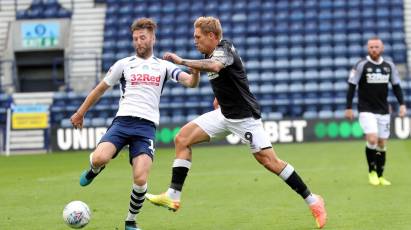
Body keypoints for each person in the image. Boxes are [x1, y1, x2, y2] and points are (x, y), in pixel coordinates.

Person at [145, 16, 327, 229]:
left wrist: (182, 61)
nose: (195, 41)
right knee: (182, 138)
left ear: (212, 36)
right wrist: (219, 97)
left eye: (198, 37)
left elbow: (216, 66)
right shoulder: (207, 53)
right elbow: (224, 76)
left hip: (244, 117)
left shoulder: (225, 48)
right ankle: (173, 195)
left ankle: (313, 201)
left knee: (270, 162)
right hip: (224, 114)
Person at [70, 18, 200, 230]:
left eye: (143, 37)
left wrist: (194, 70)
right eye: (135, 38)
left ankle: (130, 221)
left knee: (140, 179)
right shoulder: (124, 64)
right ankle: (94, 169)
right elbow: (100, 89)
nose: (138, 42)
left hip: (146, 128)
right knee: (100, 157)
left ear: (152, 38)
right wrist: (80, 112)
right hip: (122, 122)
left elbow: (191, 83)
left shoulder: (164, 66)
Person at [345, 37, 407, 186]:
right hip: (366, 109)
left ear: (382, 48)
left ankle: (380, 175)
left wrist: (402, 104)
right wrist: (348, 107)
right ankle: (371, 171)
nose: (374, 49)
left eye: (376, 47)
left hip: (383, 110)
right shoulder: (361, 65)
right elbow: (351, 86)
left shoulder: (389, 66)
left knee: (381, 144)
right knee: (372, 139)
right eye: (371, 47)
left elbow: (396, 86)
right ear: (368, 49)